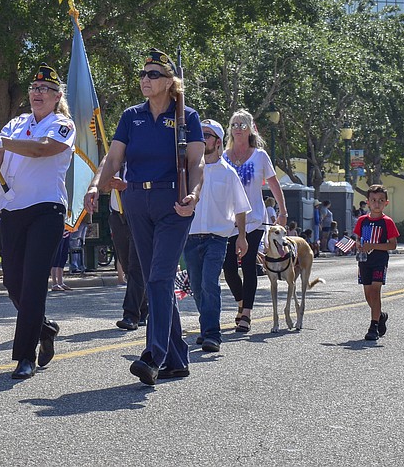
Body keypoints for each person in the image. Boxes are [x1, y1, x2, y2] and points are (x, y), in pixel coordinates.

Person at [85, 49, 204, 385]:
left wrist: (193, 194)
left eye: (153, 74)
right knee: (156, 280)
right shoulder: (131, 116)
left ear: (169, 81)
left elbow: (196, 163)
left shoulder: (187, 118)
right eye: (143, 73)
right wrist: (97, 185)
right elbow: (113, 158)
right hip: (137, 199)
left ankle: (153, 356)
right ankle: (178, 358)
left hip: (173, 202)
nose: (145, 79)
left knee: (159, 278)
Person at [0, 63, 75, 380]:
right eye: (34, 88)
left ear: (57, 96)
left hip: (47, 210)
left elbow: (43, 150)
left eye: (45, 89)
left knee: (32, 284)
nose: (37, 93)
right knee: (13, 282)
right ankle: (44, 327)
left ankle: (24, 357)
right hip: (14, 208)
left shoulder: (62, 125)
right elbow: (0, 159)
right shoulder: (16, 124)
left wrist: (0, 143)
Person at [182, 119, 251, 353]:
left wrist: (241, 237)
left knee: (210, 283)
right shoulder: (188, 169)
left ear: (218, 142)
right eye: (199, 134)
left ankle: (212, 334)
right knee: (198, 287)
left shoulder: (229, 173)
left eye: (207, 135)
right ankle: (206, 327)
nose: (202, 139)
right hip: (190, 237)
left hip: (217, 238)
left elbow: (241, 207)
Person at [221, 109, 287, 333]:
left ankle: (246, 313)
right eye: (234, 124)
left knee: (248, 264)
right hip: (229, 221)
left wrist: (282, 211)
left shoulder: (259, 156)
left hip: (254, 219)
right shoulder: (224, 156)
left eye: (242, 124)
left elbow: (273, 183)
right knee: (228, 266)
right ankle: (240, 302)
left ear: (250, 129)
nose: (237, 128)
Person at [106, 162, 148, 331]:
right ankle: (144, 309)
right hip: (117, 217)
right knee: (126, 265)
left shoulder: (143, 152)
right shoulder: (114, 158)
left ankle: (130, 315)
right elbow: (102, 177)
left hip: (138, 214)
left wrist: (125, 186)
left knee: (136, 265)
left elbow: (150, 185)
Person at [353, 184, 399, 341]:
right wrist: (358, 245)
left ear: (386, 202)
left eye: (380, 200)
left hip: (379, 260)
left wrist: (374, 246)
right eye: (373, 200)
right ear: (367, 202)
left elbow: (392, 245)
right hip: (364, 261)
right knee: (367, 294)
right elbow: (358, 239)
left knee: (375, 291)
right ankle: (380, 316)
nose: (377, 203)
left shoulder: (387, 222)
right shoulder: (362, 221)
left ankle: (373, 327)